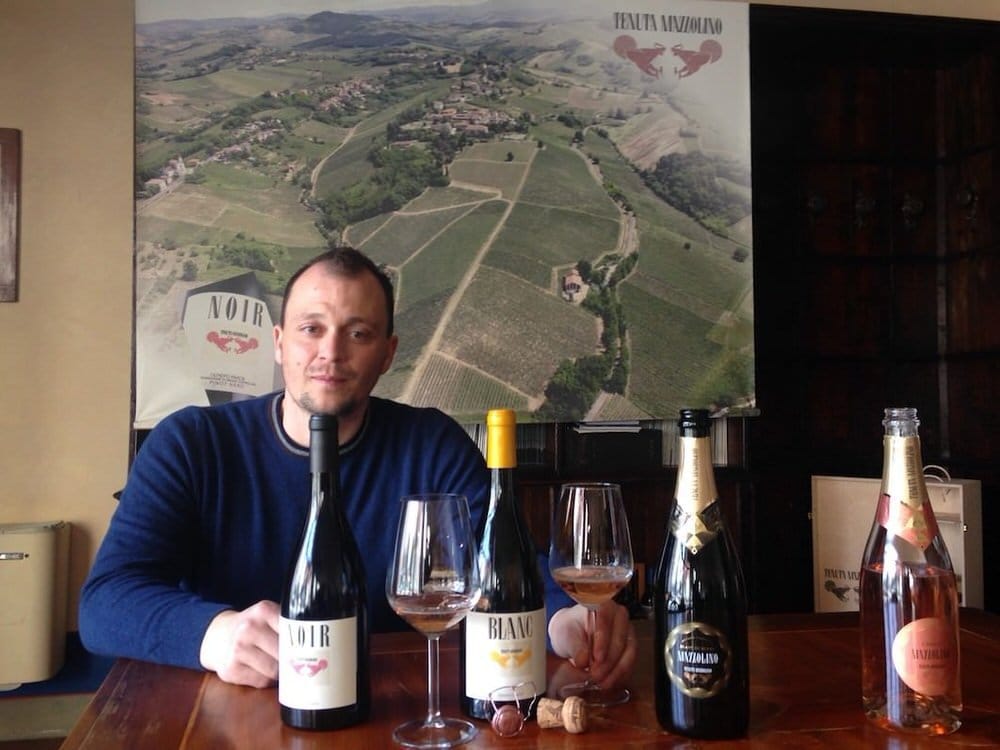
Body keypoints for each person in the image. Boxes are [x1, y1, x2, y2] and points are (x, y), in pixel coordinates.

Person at [79, 247, 636, 691]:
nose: (332, 352)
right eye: (311, 328)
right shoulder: (190, 444)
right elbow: (104, 603)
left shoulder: (431, 443)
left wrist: (565, 617)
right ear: (278, 344)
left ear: (388, 354)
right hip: (228, 713)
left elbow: (508, 564)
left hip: (390, 705)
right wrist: (213, 633)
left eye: (358, 333)